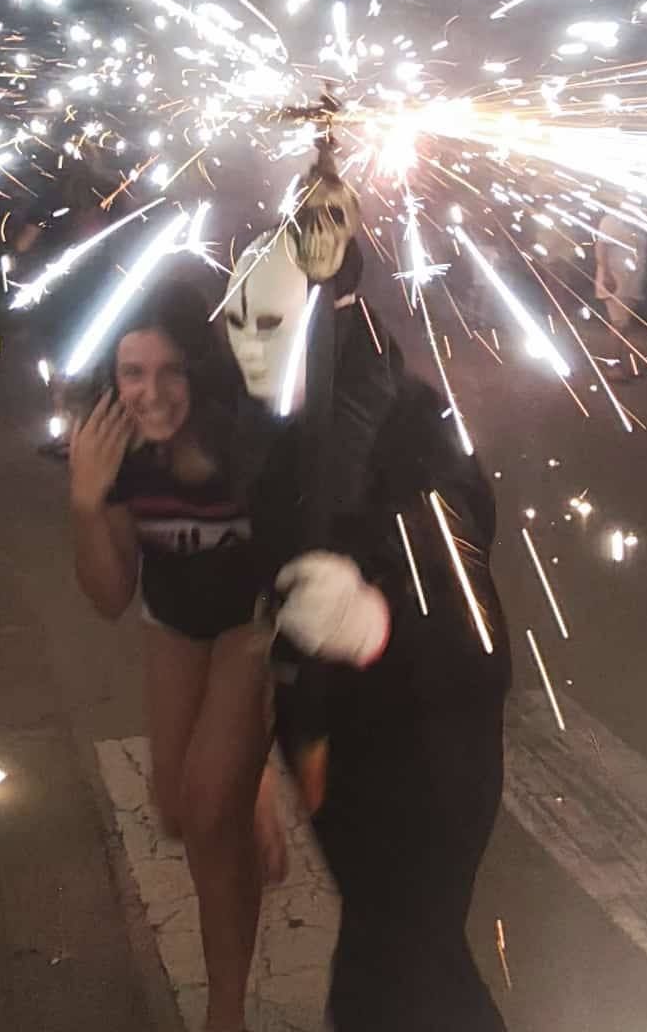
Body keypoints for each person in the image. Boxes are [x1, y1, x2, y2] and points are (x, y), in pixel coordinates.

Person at [225, 225, 512, 1032]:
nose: (250, 342)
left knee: (400, 959)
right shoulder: (263, 421)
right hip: (335, 743)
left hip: (426, 740)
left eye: (273, 323)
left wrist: (381, 609)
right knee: (404, 954)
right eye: (240, 319)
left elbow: (465, 536)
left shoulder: (404, 406)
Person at [68, 281, 283, 1032]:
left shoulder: (244, 438)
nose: (152, 394)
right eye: (133, 374)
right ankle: (248, 781)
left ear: (200, 368)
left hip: (252, 622)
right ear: (112, 379)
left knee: (209, 803)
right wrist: (86, 501)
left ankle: (226, 1010)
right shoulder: (115, 450)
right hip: (173, 619)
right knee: (175, 806)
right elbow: (109, 596)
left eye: (171, 372)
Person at [593, 210, 647, 379]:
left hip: (631, 283)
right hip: (617, 283)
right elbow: (601, 248)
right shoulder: (611, 220)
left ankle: (618, 364)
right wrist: (607, 275)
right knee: (619, 324)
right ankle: (613, 366)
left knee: (623, 326)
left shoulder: (637, 222)